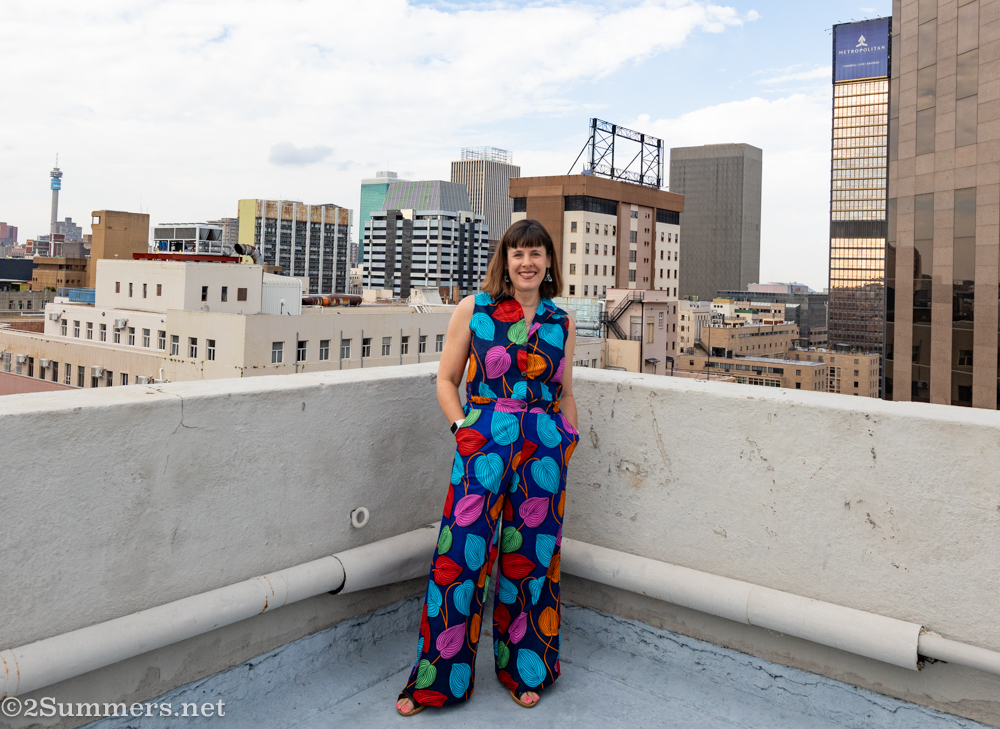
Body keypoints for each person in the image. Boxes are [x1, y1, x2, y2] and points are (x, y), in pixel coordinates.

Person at [396, 219, 580, 715]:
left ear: (548, 262)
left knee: (531, 567)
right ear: (505, 259)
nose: (527, 262)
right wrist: (463, 431)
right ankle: (436, 682)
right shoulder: (473, 309)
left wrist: (567, 442)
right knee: (459, 559)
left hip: (542, 450)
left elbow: (564, 393)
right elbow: (446, 380)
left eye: (537, 253)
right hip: (483, 446)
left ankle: (526, 671)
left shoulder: (561, 322)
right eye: (518, 253)